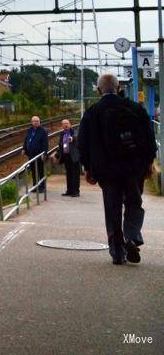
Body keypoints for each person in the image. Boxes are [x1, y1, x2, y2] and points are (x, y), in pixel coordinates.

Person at [78, 73, 158, 266]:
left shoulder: (93, 112)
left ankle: (117, 252)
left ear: (99, 90)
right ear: (119, 88)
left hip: (106, 171)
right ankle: (131, 236)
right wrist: (148, 163)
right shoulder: (134, 108)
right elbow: (149, 137)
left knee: (112, 207)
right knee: (134, 203)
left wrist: (88, 168)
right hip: (133, 168)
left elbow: (83, 143)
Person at [21, 115, 48, 193]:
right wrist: (24, 148)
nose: (36, 122)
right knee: (33, 170)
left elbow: (45, 143)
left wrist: (44, 153)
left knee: (40, 171)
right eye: (34, 121)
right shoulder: (30, 130)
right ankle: (35, 186)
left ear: (39, 122)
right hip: (31, 154)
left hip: (39, 155)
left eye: (37, 121)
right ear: (31, 122)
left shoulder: (43, 131)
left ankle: (42, 187)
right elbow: (26, 140)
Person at [54, 118, 81, 197]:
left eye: (67, 123)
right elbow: (60, 146)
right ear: (62, 126)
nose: (66, 125)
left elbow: (76, 136)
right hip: (66, 156)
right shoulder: (62, 133)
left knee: (75, 175)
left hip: (74, 156)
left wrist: (72, 138)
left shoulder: (74, 131)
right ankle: (69, 190)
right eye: (64, 124)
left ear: (70, 124)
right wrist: (57, 155)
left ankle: (76, 191)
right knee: (69, 174)